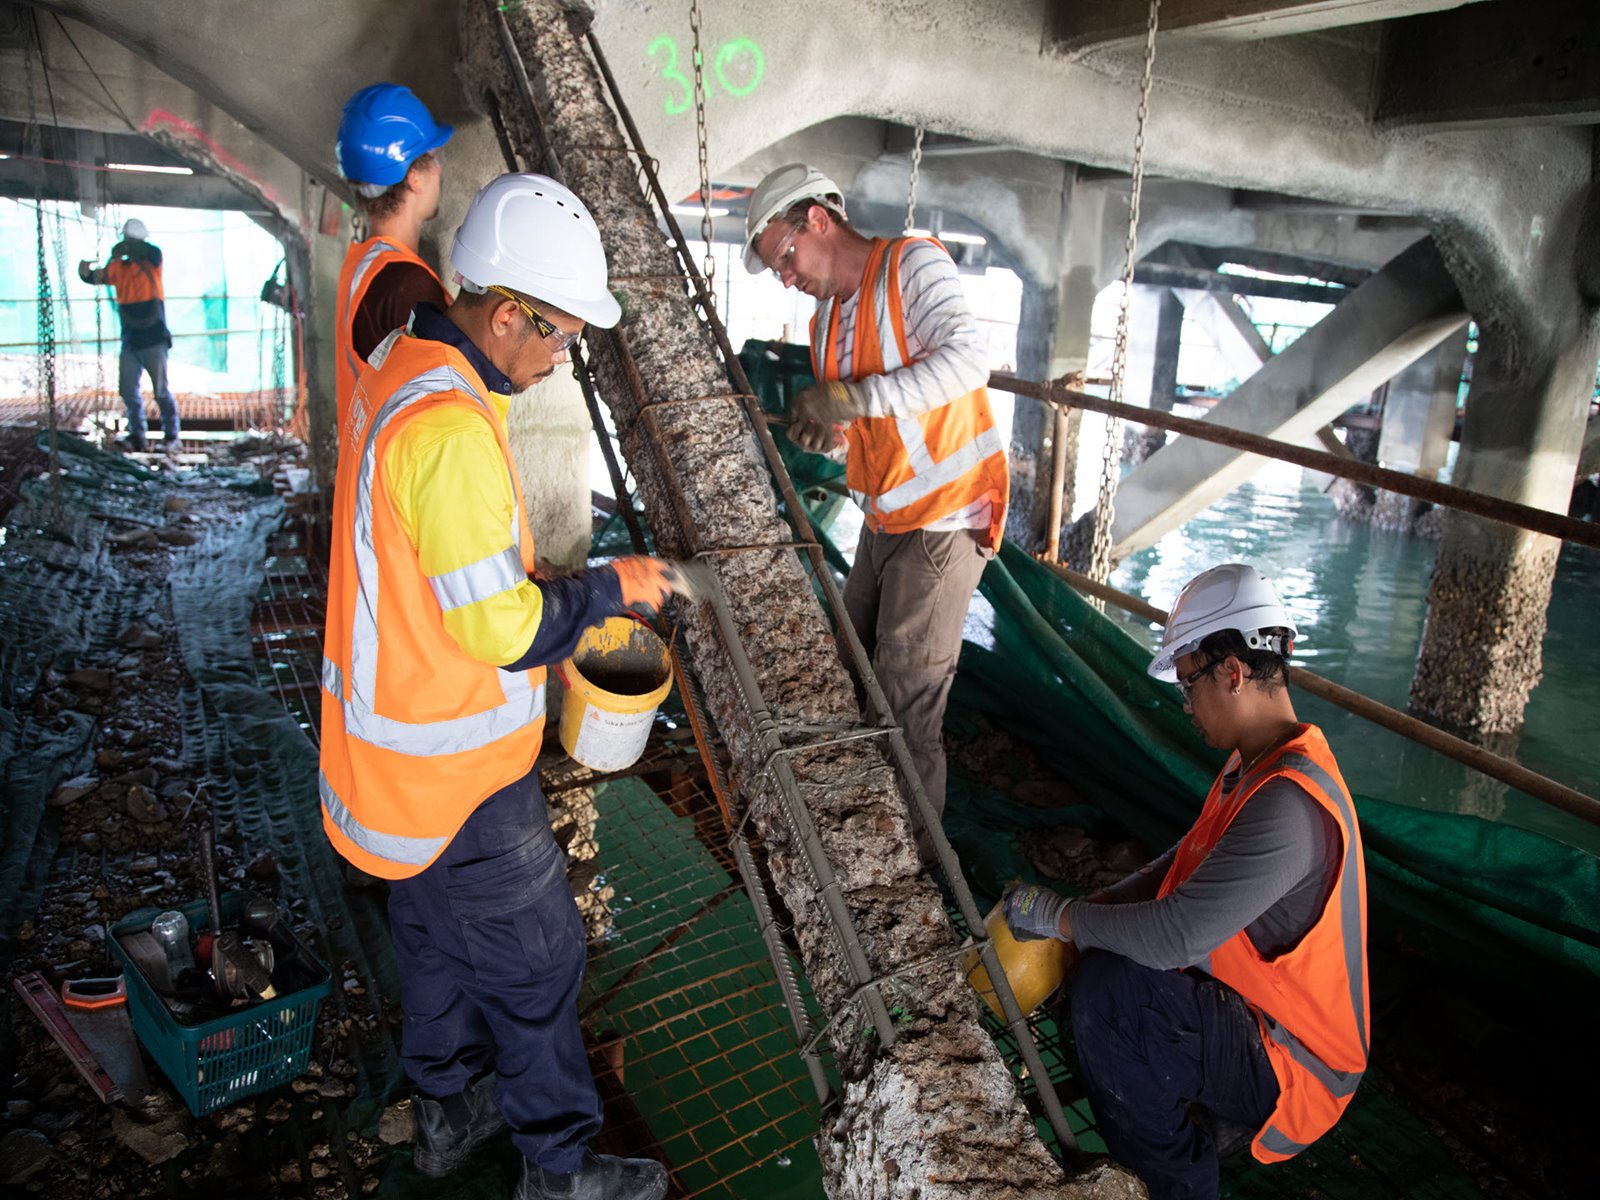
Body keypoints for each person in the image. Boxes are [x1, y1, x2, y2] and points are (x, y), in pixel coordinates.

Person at [319, 172, 689, 1200]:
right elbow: (500, 626)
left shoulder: (406, 363)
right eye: (560, 335)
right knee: (535, 965)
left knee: (432, 943)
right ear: (508, 312)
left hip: (390, 764)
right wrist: (610, 587)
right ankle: (561, 1173)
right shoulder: (447, 428)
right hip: (458, 766)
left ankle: (447, 1114)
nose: (561, 354)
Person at [1001, 563, 1369, 1200]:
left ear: (1231, 673)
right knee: (1097, 960)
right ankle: (1181, 1110)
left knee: (1113, 995)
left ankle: (1176, 1184)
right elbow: (1176, 867)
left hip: (1295, 1059)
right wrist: (1089, 913)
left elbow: (1175, 935)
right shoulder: (1253, 765)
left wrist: (1062, 916)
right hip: (1249, 1007)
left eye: (1187, 681)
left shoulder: (1289, 804)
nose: (1184, 702)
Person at [742, 163, 1009, 859]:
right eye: (778, 270)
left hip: (944, 523)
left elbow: (968, 360)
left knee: (906, 706)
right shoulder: (827, 320)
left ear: (819, 222)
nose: (787, 277)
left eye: (786, 258)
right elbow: (864, 436)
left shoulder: (911, 265)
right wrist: (826, 439)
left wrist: (850, 401)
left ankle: (909, 871)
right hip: (885, 521)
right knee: (850, 666)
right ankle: (858, 826)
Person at [333, 82, 453, 444]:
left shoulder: (364, 265)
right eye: (434, 157)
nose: (440, 171)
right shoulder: (406, 286)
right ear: (414, 178)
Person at [78, 218, 179, 452]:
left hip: (154, 338)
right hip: (131, 340)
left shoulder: (152, 260)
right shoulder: (118, 267)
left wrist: (125, 250)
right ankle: (137, 437)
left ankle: (172, 437)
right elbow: (97, 277)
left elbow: (151, 252)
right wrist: (85, 272)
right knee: (127, 390)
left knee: (161, 391)